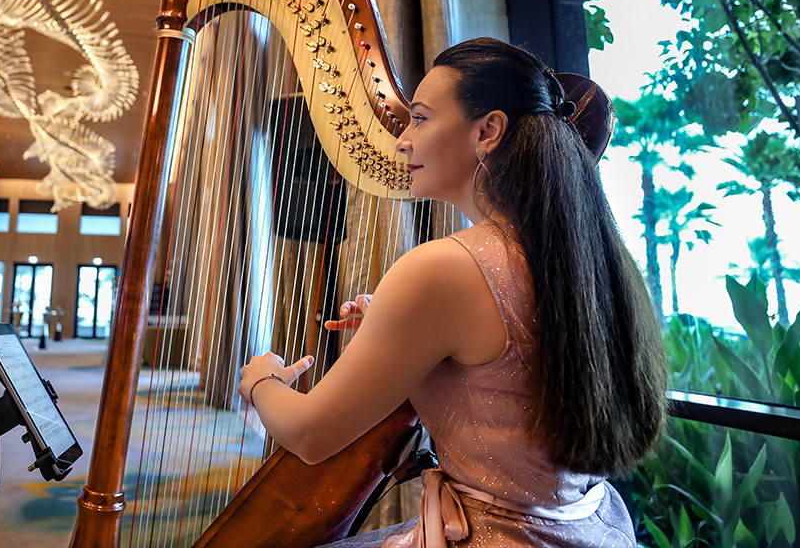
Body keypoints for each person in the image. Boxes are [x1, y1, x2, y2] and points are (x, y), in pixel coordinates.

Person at [236, 37, 668, 547]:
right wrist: (400, 325)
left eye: (419, 118)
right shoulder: (580, 257)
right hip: (587, 528)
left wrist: (261, 381)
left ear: (488, 131)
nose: (402, 140)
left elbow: (310, 435)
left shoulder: (444, 267)